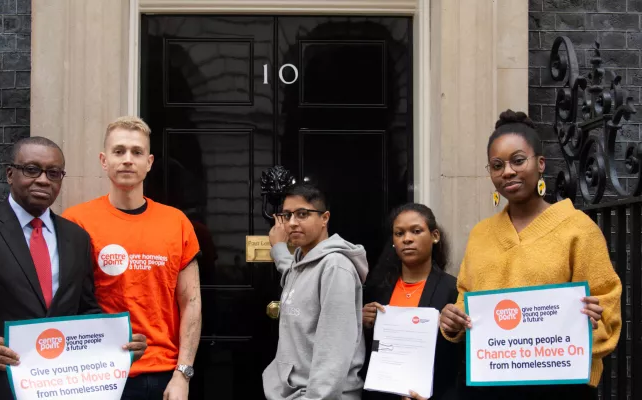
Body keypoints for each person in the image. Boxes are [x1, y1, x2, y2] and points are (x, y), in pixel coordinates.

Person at [0, 137, 147, 400]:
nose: (42, 180)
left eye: (53, 173)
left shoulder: (77, 238)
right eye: (31, 170)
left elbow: (84, 309)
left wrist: (118, 343)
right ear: (10, 174)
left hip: (59, 389)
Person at [439, 110, 622, 400]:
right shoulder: (481, 234)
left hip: (559, 385)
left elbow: (606, 301)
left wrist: (592, 323)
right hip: (490, 385)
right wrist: (454, 321)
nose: (507, 171)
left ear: (540, 164)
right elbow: (466, 297)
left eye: (518, 160)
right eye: (497, 165)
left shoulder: (577, 229)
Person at [62, 116, 202, 400]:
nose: (127, 159)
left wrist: (183, 374)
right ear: (104, 160)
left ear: (149, 162)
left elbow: (191, 302)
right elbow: (65, 301)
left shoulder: (176, 222)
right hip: (97, 371)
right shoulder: (76, 221)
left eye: (137, 152)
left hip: (163, 375)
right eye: (119, 151)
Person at [264, 183, 368, 400]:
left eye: (302, 214)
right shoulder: (301, 263)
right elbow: (291, 270)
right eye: (287, 215)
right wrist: (278, 248)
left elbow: (334, 349)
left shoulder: (336, 268)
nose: (292, 223)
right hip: (291, 392)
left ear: (325, 218)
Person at [361, 203, 464, 400]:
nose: (407, 239)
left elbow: (456, 358)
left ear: (435, 236)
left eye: (416, 231)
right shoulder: (377, 289)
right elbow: (370, 350)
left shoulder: (453, 290)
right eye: (399, 234)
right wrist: (363, 324)